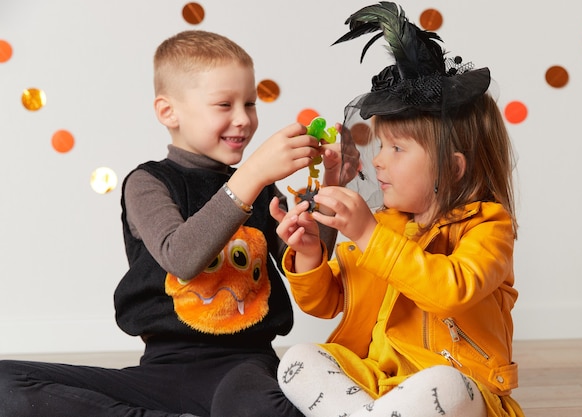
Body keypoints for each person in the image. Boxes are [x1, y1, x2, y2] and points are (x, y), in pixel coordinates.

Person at [0, 30, 341, 417]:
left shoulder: (260, 188)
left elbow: (311, 261)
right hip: (162, 372)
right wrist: (253, 174)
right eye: (224, 105)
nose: (244, 119)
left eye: (250, 103)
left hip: (245, 368)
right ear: (168, 112)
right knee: (6, 382)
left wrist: (331, 184)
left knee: (252, 403)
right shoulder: (147, 183)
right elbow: (181, 255)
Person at [269, 3, 525, 417]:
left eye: (397, 148)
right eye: (381, 145)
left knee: (444, 386)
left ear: (452, 167)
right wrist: (311, 253)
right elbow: (329, 301)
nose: (378, 161)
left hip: (461, 383)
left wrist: (370, 236)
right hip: (379, 384)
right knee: (299, 360)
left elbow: (450, 291)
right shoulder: (387, 224)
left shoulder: (490, 227)